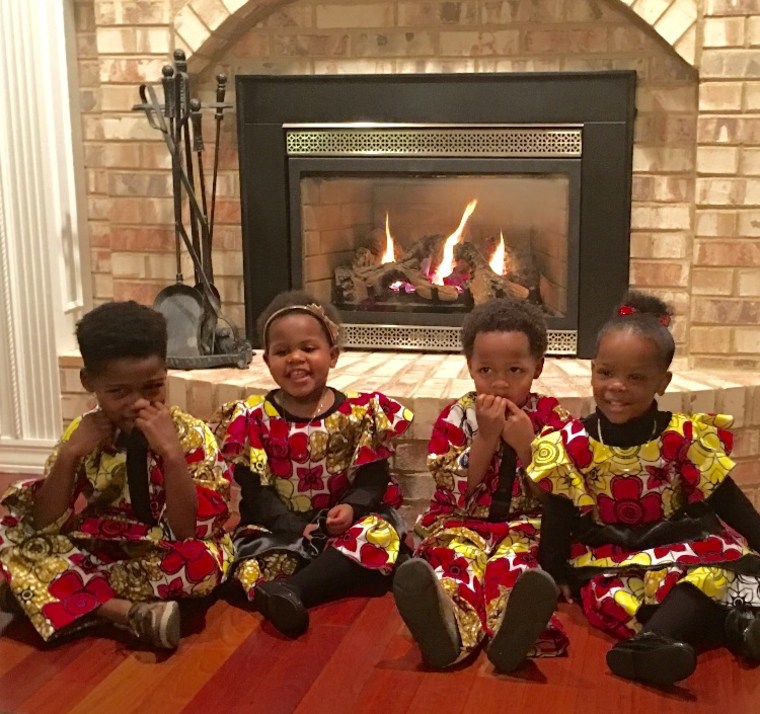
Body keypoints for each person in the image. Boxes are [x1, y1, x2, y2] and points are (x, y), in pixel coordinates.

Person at [529, 290, 760, 687]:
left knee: (718, 573)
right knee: (617, 600)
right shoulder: (570, 443)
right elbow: (559, 510)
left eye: (636, 377)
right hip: (610, 555)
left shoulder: (684, 437)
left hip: (678, 546)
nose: (617, 387)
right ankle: (733, 628)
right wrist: (553, 569)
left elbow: (728, 499)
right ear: (593, 371)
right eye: (605, 373)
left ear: (662, 382)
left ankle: (654, 646)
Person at [0, 301, 233, 650]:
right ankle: (127, 613)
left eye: (152, 387)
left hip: (162, 551)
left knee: (203, 565)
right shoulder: (85, 432)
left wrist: (171, 455)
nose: (137, 403)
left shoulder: (189, 434)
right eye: (118, 392)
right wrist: (70, 455)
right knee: (11, 535)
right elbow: (43, 521)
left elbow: (188, 532)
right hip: (101, 546)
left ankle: (57, 595)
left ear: (166, 373)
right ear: (88, 382)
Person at [215, 291, 413, 637]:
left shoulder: (358, 414)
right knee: (244, 565)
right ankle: (322, 580)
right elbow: (255, 494)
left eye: (308, 348)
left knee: (378, 534)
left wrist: (351, 509)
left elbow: (373, 479)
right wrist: (294, 526)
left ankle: (293, 590)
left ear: (333, 355)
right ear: (267, 361)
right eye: (281, 351)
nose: (295, 359)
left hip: (344, 526)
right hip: (281, 531)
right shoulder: (254, 419)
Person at [393, 297, 570, 672]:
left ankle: (515, 633)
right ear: (470, 368)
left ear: (537, 368)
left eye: (515, 370)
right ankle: (447, 630)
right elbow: (456, 491)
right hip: (461, 523)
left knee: (517, 569)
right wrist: (486, 439)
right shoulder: (457, 416)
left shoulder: (551, 417)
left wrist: (527, 446)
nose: (500, 383)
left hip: (525, 527)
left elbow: (556, 495)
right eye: (486, 370)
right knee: (455, 566)